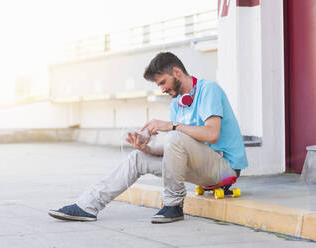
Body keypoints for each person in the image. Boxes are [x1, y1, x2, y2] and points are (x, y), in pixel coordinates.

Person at [48, 52, 248, 224]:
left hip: (224, 169)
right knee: (137, 158)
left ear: (176, 73)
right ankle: (87, 206)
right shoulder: (177, 103)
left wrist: (171, 126)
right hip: (200, 166)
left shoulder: (208, 90)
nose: (161, 89)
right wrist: (147, 149)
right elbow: (177, 148)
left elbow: (212, 135)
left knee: (175, 135)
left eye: (162, 82)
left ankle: (173, 205)